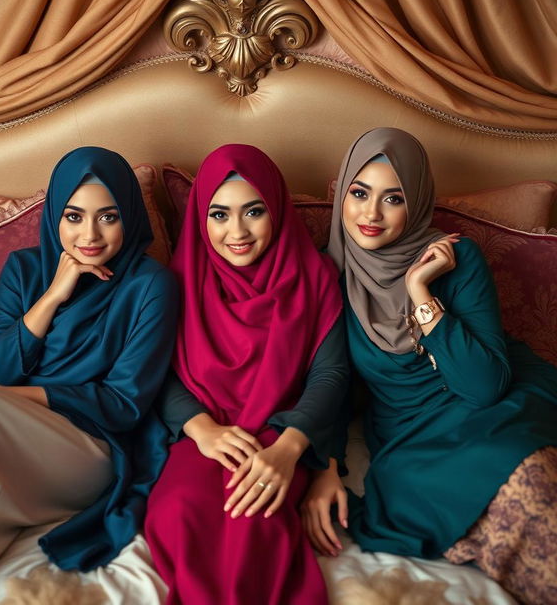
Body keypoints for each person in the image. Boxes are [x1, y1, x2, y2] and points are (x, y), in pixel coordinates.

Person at [302, 127, 557, 605]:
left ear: (416, 201)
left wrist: (420, 292)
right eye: (359, 193)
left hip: (498, 404)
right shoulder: (326, 277)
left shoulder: (456, 258)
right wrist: (326, 468)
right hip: (413, 433)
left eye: (393, 198)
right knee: (505, 513)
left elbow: (484, 386)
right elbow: (328, 381)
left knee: (533, 477)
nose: (371, 214)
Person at [0, 146, 178, 604]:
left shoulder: (150, 285)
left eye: (108, 217)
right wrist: (53, 296)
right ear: (56, 214)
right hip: (2, 431)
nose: (89, 235)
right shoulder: (25, 270)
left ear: (128, 216)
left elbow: (125, 404)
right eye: (74, 217)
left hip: (90, 449)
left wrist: (20, 399)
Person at [144, 144, 348, 604]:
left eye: (253, 211)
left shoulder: (315, 276)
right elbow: (158, 370)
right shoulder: (176, 282)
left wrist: (293, 450)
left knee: (254, 517)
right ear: (201, 217)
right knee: (178, 512)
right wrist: (202, 431)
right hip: (204, 429)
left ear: (275, 208)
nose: (236, 231)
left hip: (281, 431)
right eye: (219, 215)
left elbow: (330, 375)